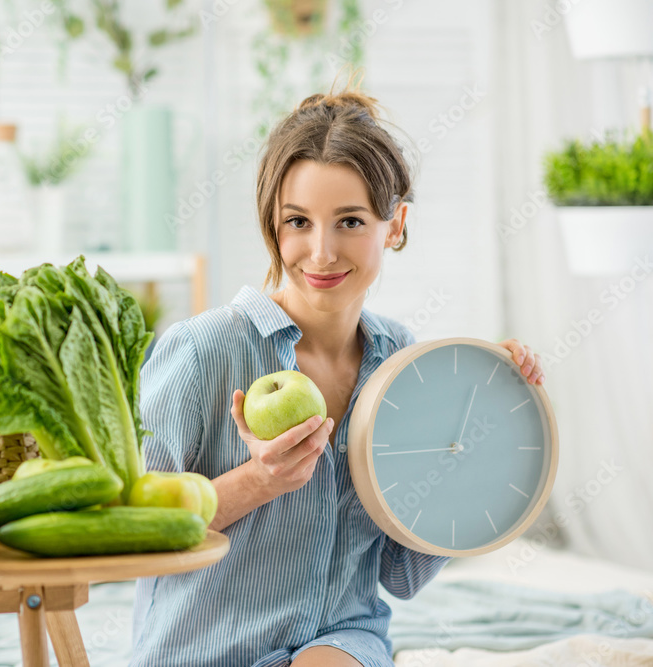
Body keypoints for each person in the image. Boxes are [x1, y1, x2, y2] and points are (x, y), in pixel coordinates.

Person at [128, 72, 546, 667]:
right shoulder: (202, 351)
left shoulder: (403, 362)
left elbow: (401, 574)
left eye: (350, 221)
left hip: (339, 641)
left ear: (394, 225)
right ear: (273, 222)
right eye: (298, 221)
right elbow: (134, 532)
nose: (321, 252)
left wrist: (481, 417)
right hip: (202, 649)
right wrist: (259, 482)